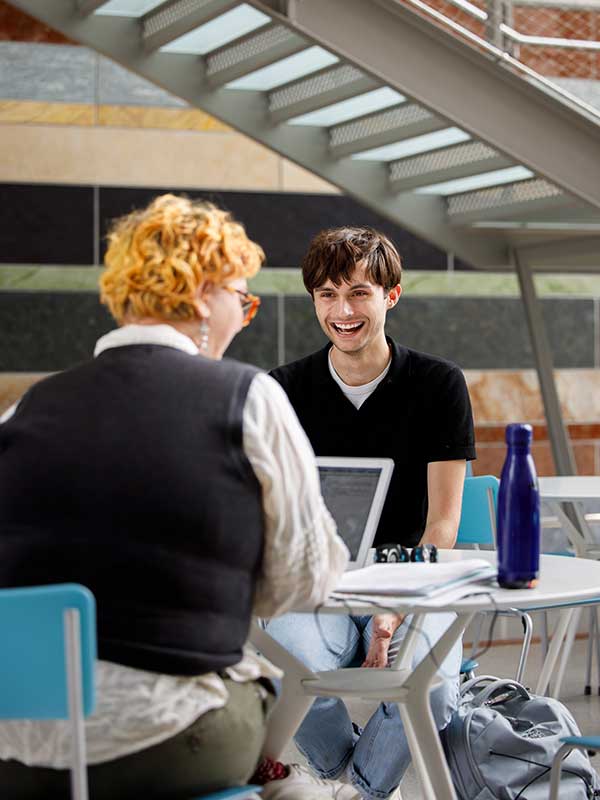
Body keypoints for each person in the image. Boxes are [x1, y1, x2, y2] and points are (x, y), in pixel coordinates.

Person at [0, 195, 348, 800]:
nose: (243, 318)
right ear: (200, 294)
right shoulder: (248, 397)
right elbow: (307, 580)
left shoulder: (24, 410)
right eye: (241, 299)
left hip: (16, 756)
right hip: (159, 744)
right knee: (290, 774)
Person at [263, 226, 476, 800]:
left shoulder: (438, 384)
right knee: (291, 672)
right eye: (328, 295)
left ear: (391, 295)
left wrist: (393, 607)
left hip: (415, 578)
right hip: (316, 586)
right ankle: (357, 787)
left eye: (358, 292)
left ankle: (348, 791)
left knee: (431, 690)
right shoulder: (278, 391)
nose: (343, 310)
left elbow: (442, 525)